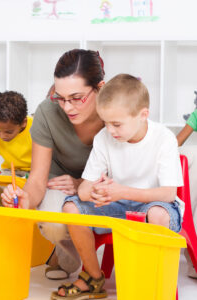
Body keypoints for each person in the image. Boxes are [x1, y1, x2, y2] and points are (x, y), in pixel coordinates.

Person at [50, 74, 184, 299]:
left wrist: (121, 191)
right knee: (72, 208)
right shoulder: (104, 138)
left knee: (158, 214)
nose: (110, 131)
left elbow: (169, 194)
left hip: (153, 205)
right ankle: (93, 277)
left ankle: (148, 282)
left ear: (143, 115)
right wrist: (96, 193)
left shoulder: (164, 138)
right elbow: (83, 189)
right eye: (106, 123)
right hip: (117, 204)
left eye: (117, 124)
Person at [1, 49, 105, 280]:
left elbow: (125, 173)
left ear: (100, 87)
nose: (67, 107)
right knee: (52, 223)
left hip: (99, 186)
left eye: (77, 98)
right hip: (59, 183)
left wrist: (81, 184)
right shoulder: (47, 112)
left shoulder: (115, 111)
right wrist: (23, 198)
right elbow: (37, 179)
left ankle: (71, 258)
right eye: (60, 97)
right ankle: (66, 253)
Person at [0, 91, 32, 206]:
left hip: (33, 173)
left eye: (9, 132)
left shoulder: (35, 128)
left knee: (26, 195)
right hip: (10, 172)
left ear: (23, 123)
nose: (2, 135)